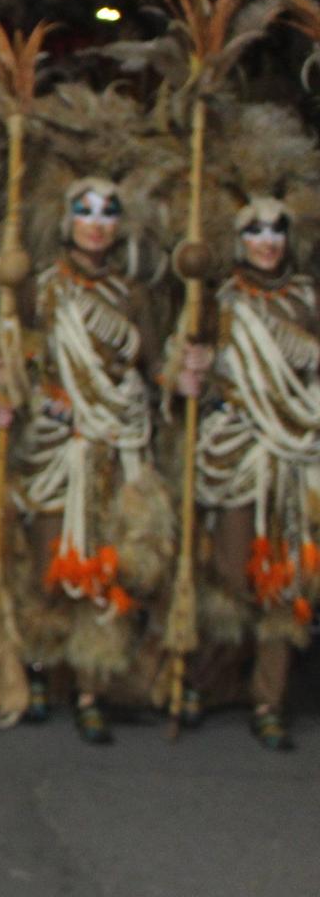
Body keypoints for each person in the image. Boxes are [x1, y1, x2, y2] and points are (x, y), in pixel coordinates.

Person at [15, 85, 178, 745]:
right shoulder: (39, 284)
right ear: (66, 218)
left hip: (115, 443)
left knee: (104, 563)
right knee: (48, 556)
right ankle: (39, 673)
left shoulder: (136, 293)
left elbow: (154, 369)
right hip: (55, 446)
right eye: (85, 209)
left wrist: (181, 372)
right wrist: (14, 378)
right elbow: (20, 357)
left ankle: (91, 686)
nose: (97, 221)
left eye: (109, 211)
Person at [179, 105, 320, 751]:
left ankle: (269, 697)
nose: (267, 241)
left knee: (284, 580)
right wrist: (185, 374)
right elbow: (172, 369)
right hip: (235, 457)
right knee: (233, 572)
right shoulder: (215, 303)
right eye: (255, 230)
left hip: (293, 455)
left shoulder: (308, 302)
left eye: (276, 230)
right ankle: (215, 677)